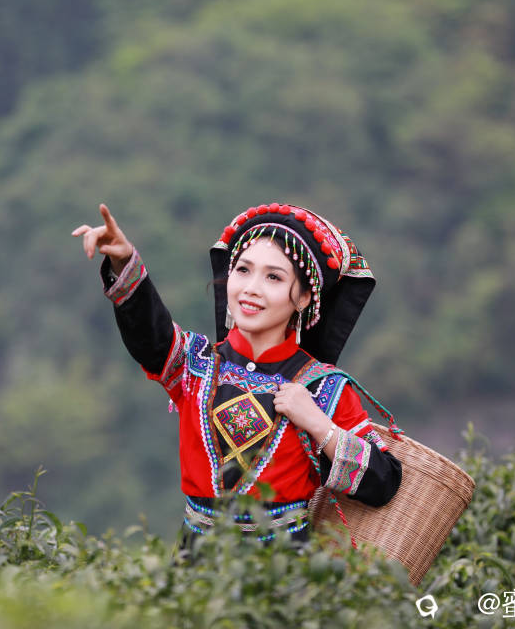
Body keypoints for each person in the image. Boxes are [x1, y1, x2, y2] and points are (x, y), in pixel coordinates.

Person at [72, 203, 401, 545]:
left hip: (285, 568)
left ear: (304, 297)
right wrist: (124, 260)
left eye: (273, 277)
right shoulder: (195, 364)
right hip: (197, 561)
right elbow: (149, 334)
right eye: (243, 270)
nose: (251, 288)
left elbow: (384, 481)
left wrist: (318, 424)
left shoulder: (323, 389)